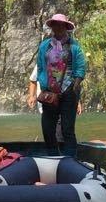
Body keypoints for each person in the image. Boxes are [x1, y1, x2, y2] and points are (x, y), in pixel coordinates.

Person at [35, 13, 87, 157]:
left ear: (65, 27)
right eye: (55, 24)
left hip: (69, 91)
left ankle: (70, 159)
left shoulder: (74, 46)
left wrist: (75, 85)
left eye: (61, 24)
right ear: (52, 26)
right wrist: (44, 85)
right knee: (47, 128)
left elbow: (80, 67)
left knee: (67, 129)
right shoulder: (45, 46)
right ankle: (53, 156)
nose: (58, 27)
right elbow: (40, 66)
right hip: (50, 92)